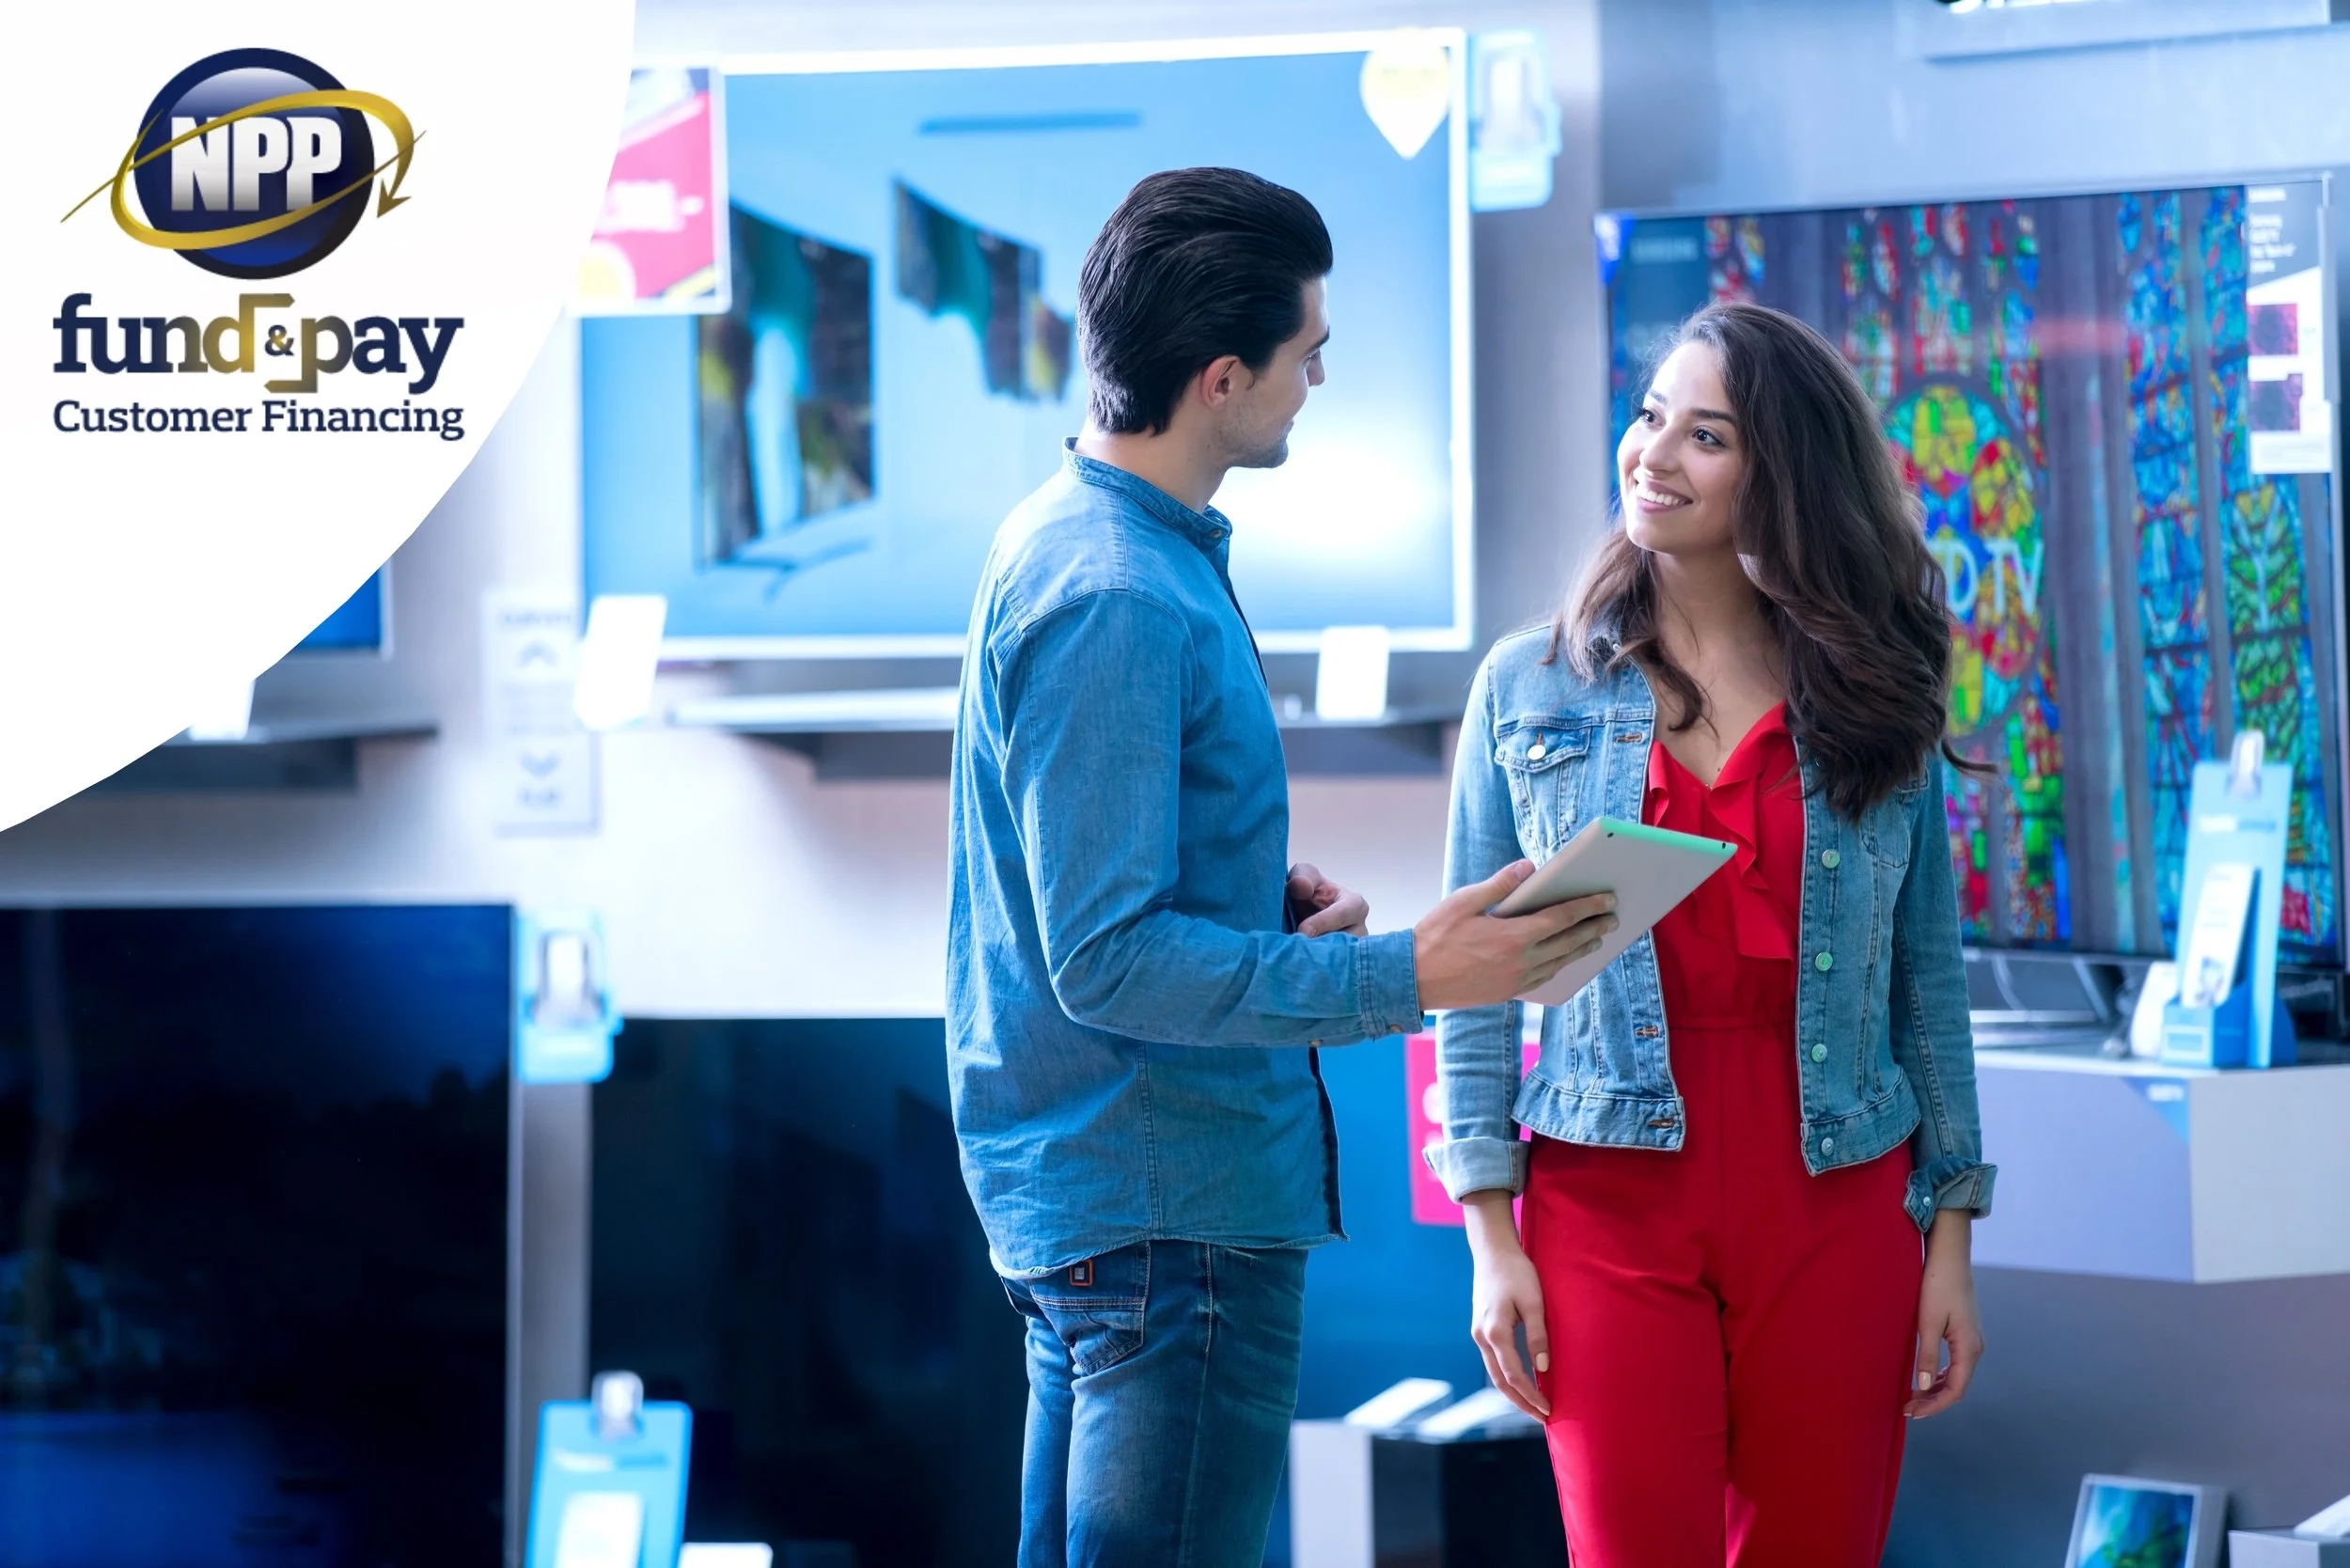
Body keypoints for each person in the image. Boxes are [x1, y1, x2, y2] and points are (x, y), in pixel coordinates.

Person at [946, 165, 1617, 1568]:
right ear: (1220, 378)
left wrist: (1259, 899)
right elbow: (1107, 959)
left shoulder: (1100, 543)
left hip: (1126, 1207)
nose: (1319, 377)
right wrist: (1410, 975)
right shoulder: (1118, 591)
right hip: (1167, 1214)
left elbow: (1103, 887)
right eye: (1306, 352)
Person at [1431, 301, 1997, 1567]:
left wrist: (1950, 1239)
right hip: (1605, 1204)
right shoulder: (1527, 684)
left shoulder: (1877, 686)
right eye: (1650, 417)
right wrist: (1490, 1235)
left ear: (1783, 474)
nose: (1652, 454)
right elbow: (1473, 984)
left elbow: (1927, 984)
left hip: (1837, 1197)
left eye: (1707, 435)